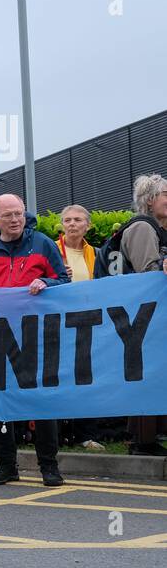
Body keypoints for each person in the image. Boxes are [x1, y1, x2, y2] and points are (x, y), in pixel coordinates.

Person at [0, 194, 70, 486]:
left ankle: (49, 466)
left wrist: (47, 282)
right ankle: (7, 465)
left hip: (37, 335)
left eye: (19, 213)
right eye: (8, 215)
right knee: (1, 403)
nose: (16, 219)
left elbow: (64, 281)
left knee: (42, 402)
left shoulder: (42, 243)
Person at [117, 175, 167, 455]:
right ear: (150, 200)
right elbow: (148, 273)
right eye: (166, 194)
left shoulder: (159, 229)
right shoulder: (142, 228)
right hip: (139, 317)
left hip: (153, 316)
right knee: (147, 374)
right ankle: (142, 440)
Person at [54, 205, 95, 283]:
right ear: (62, 226)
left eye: (77, 220)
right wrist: (56, 276)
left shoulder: (95, 253)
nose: (72, 223)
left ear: (88, 226)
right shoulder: (51, 249)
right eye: (67, 220)